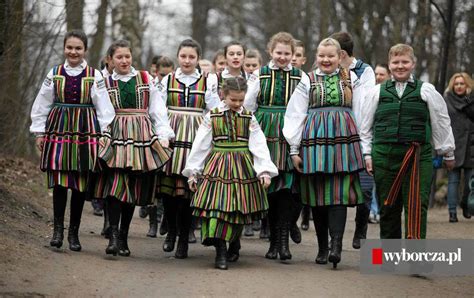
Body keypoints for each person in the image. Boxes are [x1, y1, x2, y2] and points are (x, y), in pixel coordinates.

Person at [30, 29, 115, 252]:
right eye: (70, 47)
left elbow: (104, 108)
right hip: (58, 129)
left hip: (85, 131)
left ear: (85, 50)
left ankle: (73, 234)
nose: (73, 52)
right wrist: (39, 132)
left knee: (79, 183)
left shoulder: (94, 75)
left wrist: (104, 134)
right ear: (64, 48)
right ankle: (57, 230)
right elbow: (42, 103)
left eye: (78, 48)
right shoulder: (54, 73)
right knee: (59, 181)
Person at [360, 44, 455, 240]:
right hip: (384, 157)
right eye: (396, 62)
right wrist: (367, 154)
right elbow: (365, 127)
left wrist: (448, 152)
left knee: (417, 205)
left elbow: (441, 122)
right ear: (389, 65)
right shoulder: (376, 93)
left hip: (417, 156)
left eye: (405, 62)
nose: (400, 66)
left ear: (413, 64)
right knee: (388, 205)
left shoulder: (426, 91)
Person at [284, 37, 365, 268]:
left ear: (340, 56)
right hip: (315, 141)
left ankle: (337, 244)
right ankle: (322, 247)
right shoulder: (307, 80)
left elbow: (361, 111)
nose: (325, 60)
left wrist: (363, 147)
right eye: (321, 56)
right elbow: (295, 114)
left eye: (330, 56)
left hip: (344, 140)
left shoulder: (352, 78)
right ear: (316, 56)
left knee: (338, 192)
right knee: (317, 194)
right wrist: (294, 149)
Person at [183, 77, 278, 270]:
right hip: (217, 166)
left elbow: (258, 144)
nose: (237, 104)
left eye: (240, 100)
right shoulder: (213, 116)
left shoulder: (249, 117)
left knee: (238, 207)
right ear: (223, 96)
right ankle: (221, 252)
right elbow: (201, 145)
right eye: (233, 100)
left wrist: (264, 171)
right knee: (217, 209)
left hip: (242, 166)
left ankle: (234, 242)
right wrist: (193, 172)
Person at [95, 39, 174, 257]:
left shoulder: (146, 79)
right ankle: (112, 235)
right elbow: (102, 112)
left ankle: (123, 235)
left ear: (132, 57)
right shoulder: (105, 82)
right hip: (117, 134)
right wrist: (104, 134)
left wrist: (163, 134)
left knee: (133, 185)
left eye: (127, 56)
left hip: (141, 134)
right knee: (114, 185)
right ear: (110, 60)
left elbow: (158, 109)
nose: (124, 60)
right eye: (119, 57)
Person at [156, 39, 220, 259]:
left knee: (186, 195)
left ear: (197, 59)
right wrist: (163, 133)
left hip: (195, 137)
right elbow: (159, 108)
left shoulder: (207, 81)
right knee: (169, 192)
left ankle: (183, 238)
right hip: (172, 136)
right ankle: (171, 232)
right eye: (183, 56)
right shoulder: (168, 80)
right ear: (177, 57)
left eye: (191, 57)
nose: (187, 60)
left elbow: (214, 109)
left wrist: (210, 134)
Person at [245, 32, 306, 261]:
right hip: (265, 131)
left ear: (293, 55)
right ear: (271, 52)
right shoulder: (259, 75)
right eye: (279, 52)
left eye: (287, 53)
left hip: (290, 132)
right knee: (269, 187)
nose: (282, 57)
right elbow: (249, 106)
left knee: (288, 189)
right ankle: (272, 240)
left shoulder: (300, 77)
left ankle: (282, 240)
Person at [331, 31, 376, 250]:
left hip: (359, 134)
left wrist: (349, 76)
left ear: (341, 53)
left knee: (365, 187)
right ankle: (335, 239)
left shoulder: (365, 71)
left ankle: (361, 228)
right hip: (336, 135)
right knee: (337, 188)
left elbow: (365, 101)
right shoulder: (327, 70)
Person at [444, 72, 474, 222]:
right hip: (453, 145)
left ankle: (466, 205)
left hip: (471, 145)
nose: (459, 86)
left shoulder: (472, 100)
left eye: (462, 83)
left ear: (467, 85)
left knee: (470, 182)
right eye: (456, 83)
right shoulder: (446, 99)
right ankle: (452, 212)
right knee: (453, 181)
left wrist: (469, 101)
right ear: (452, 85)